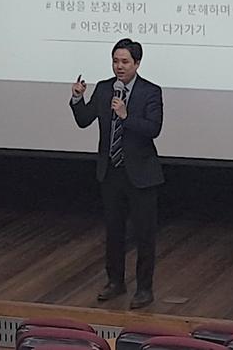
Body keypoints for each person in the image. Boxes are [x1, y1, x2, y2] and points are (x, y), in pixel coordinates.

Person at [70, 37, 163, 308]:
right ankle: (115, 282)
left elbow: (153, 129)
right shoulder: (104, 88)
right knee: (114, 231)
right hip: (111, 172)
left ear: (137, 63)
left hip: (141, 174)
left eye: (124, 61)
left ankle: (144, 289)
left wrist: (125, 116)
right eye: (115, 61)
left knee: (144, 234)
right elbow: (84, 120)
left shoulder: (150, 91)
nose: (119, 66)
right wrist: (77, 98)